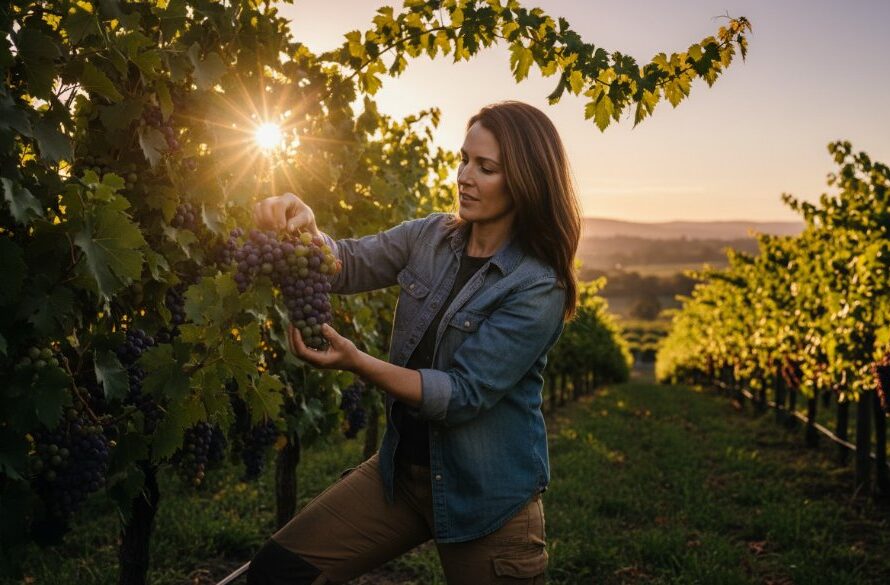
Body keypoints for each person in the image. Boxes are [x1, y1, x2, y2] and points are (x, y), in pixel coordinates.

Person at [246, 101, 581, 584]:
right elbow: (347, 262)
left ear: (526, 180)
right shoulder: (430, 235)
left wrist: (356, 362)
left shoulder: (536, 286)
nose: (465, 176)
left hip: (485, 500)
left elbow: (462, 395)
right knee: (278, 572)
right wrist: (308, 227)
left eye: (485, 168)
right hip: (399, 476)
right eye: (464, 159)